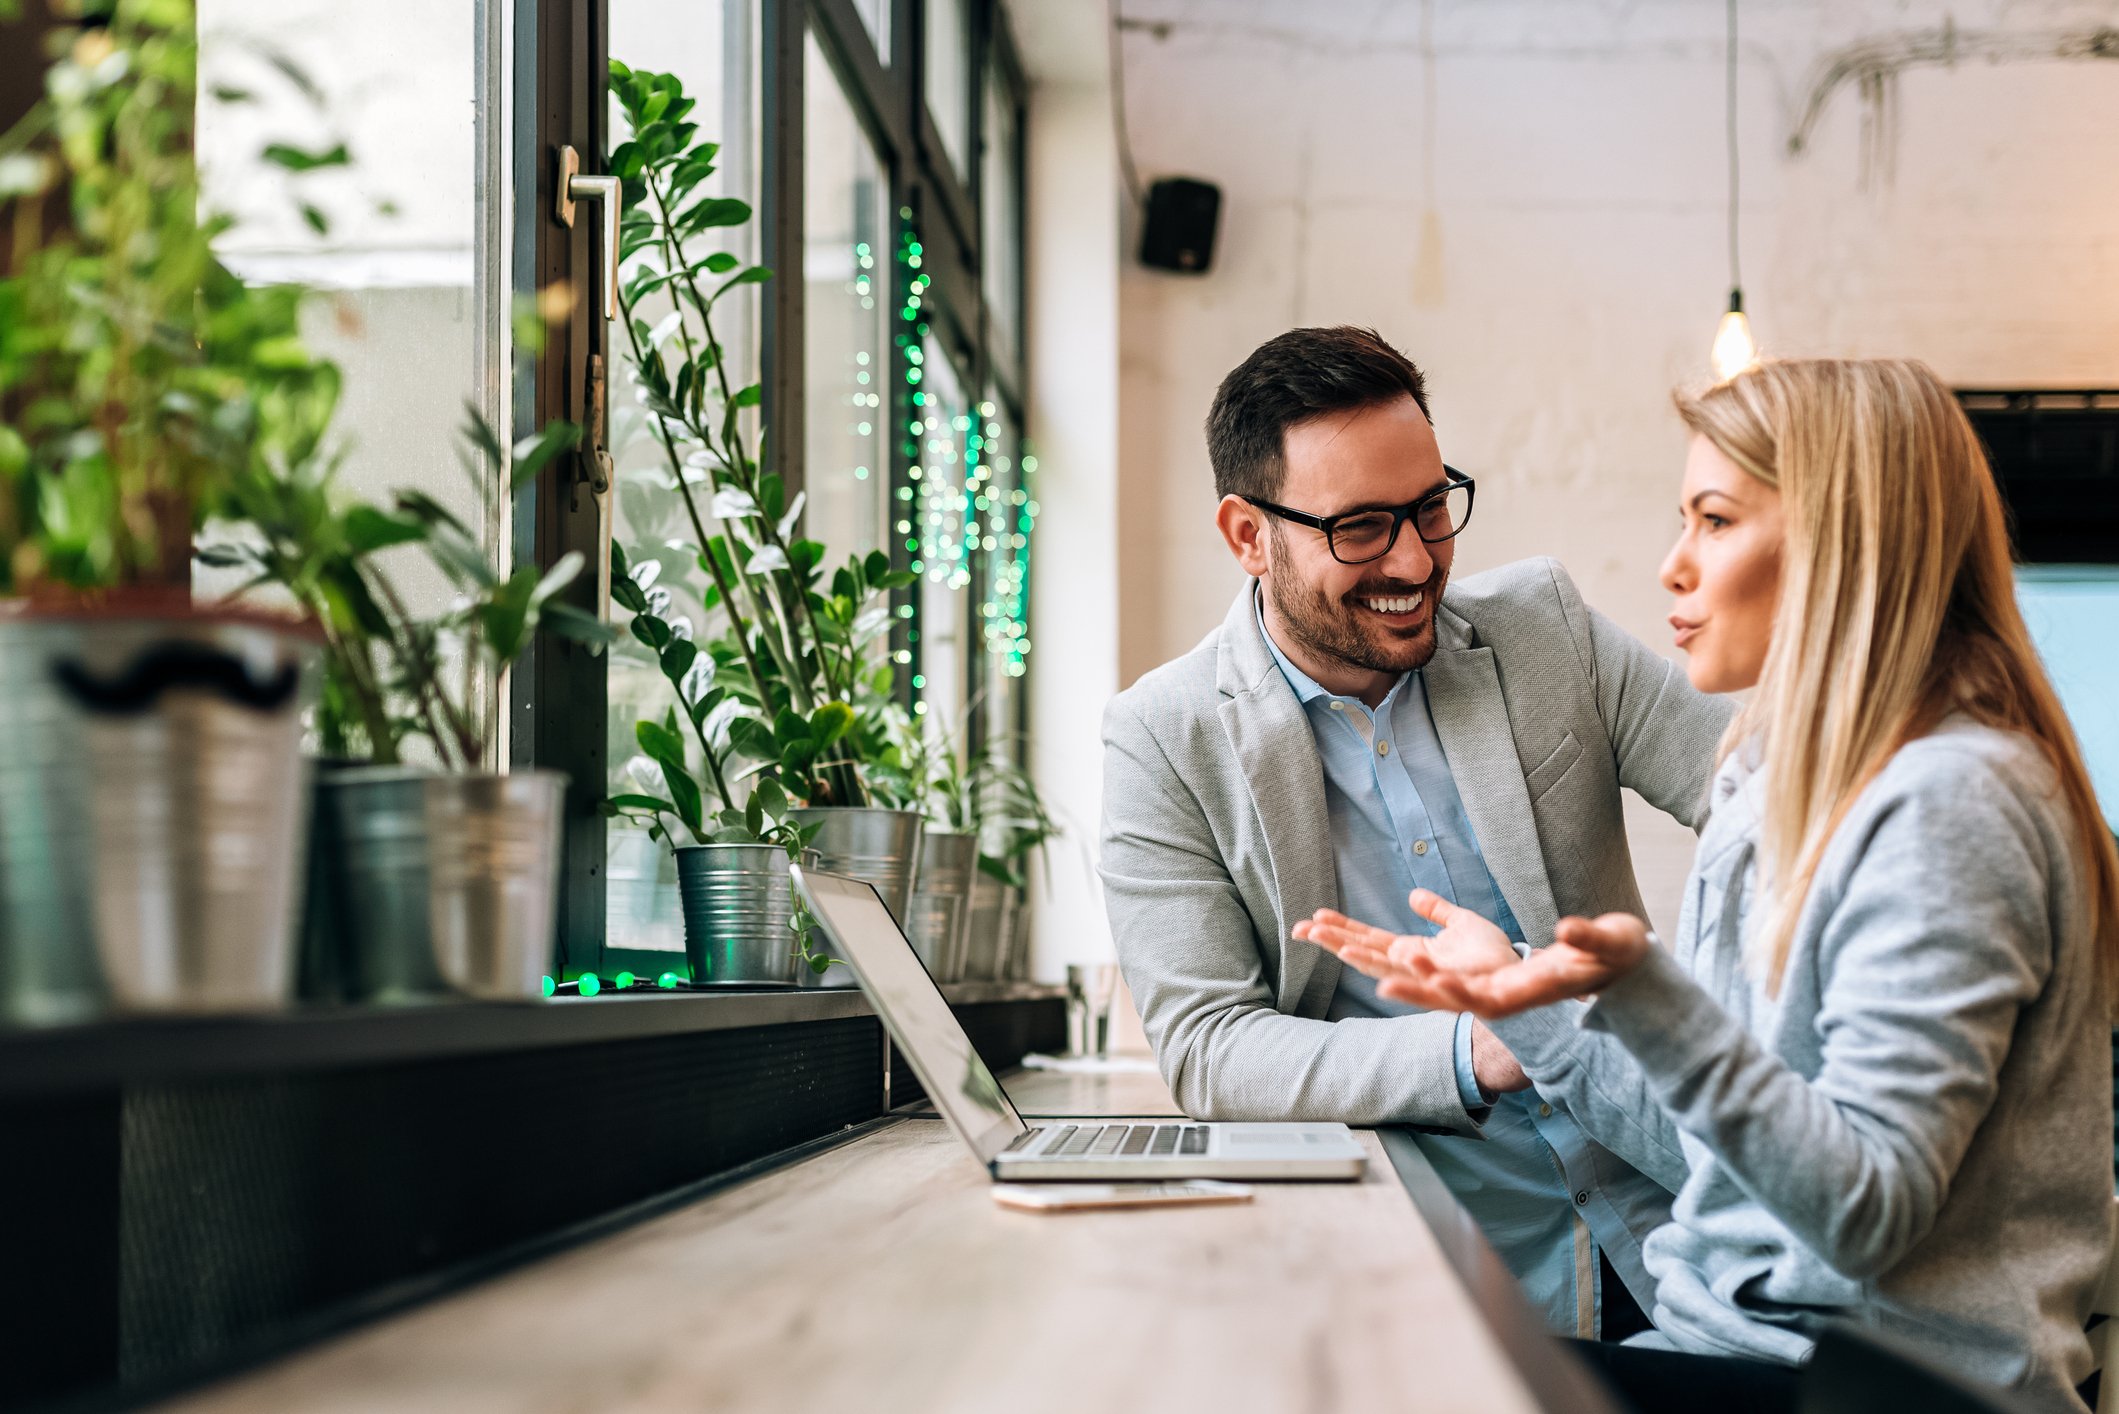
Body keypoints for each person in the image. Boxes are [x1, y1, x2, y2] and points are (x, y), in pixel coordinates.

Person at [1299, 357, 2119, 1414]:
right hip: (1740, 1353)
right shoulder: (1774, 777)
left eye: (1716, 521)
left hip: (1889, 1391)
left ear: (1843, 545)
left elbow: (1865, 1210)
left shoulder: (1946, 805)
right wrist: (1527, 998)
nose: (1671, 567)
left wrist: (1654, 1001)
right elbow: (1714, 1157)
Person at [1098, 325, 1736, 1339]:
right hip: (1424, 1268)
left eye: (1430, 507)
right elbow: (1211, 1049)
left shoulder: (1542, 629)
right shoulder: (1162, 737)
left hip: (1671, 1232)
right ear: (1246, 534)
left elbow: (1766, 797)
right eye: (1358, 527)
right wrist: (1480, 1046)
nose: (1413, 558)